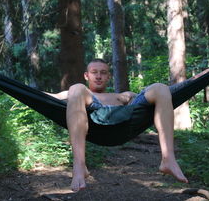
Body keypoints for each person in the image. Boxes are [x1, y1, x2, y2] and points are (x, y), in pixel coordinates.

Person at [48, 58, 188, 192]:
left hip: (127, 120)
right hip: (92, 116)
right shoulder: (77, 93)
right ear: (86, 75)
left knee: (160, 88)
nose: (98, 76)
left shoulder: (123, 95)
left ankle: (168, 159)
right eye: (94, 72)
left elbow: (166, 93)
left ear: (108, 76)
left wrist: (196, 79)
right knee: (76, 88)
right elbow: (45, 96)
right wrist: (25, 92)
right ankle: (79, 166)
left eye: (103, 73)